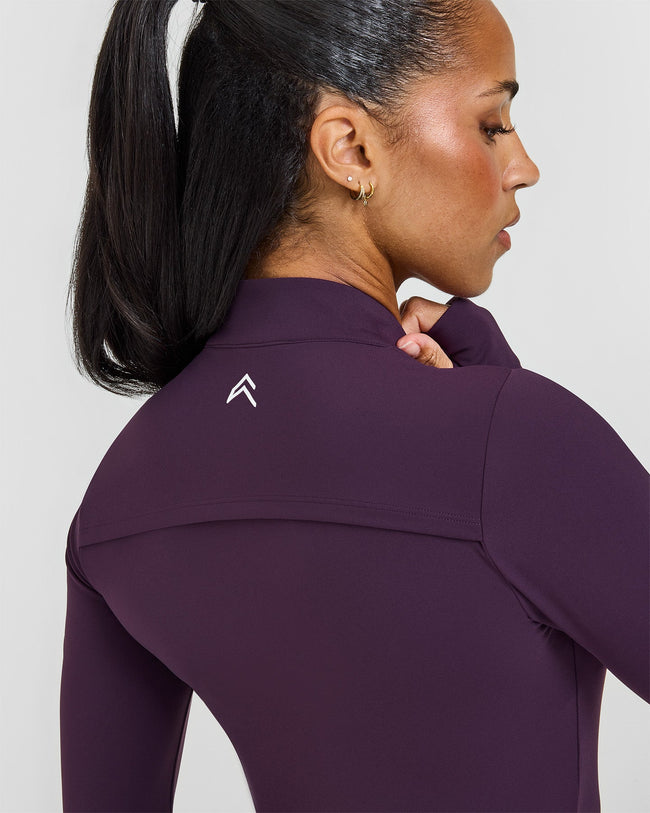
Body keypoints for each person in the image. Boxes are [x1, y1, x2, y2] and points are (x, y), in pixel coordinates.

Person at [59, 0, 649, 810]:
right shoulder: (521, 442)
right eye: (491, 124)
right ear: (350, 148)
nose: (524, 166)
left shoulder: (118, 499)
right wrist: (500, 415)